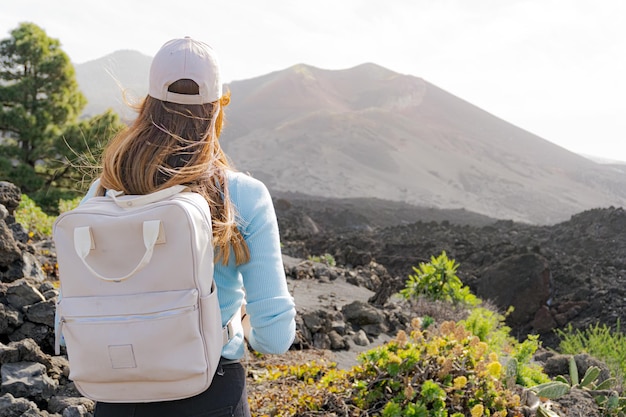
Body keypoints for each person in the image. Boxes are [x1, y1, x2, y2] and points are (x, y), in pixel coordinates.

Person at [80, 37, 296, 417]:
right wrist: (239, 321)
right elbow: (276, 338)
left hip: (118, 392)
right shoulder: (242, 195)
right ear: (217, 110)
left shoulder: (104, 190)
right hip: (211, 392)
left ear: (147, 106)